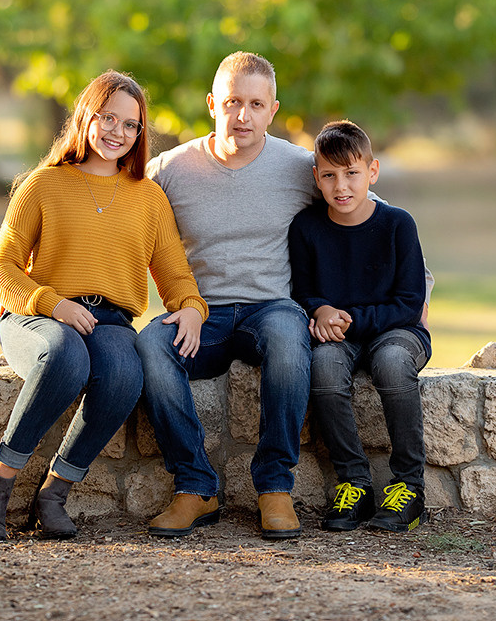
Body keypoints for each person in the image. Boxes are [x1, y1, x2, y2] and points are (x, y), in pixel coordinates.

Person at [136, 52, 432, 540]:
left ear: (273, 110)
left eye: (256, 104)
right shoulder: (169, 169)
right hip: (200, 312)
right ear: (213, 104)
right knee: (149, 347)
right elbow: (115, 221)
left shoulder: (301, 167)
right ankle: (195, 486)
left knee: (290, 344)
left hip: (271, 308)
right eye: (232, 102)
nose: (243, 115)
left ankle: (275, 488)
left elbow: (371, 214)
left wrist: (424, 290)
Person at [0, 70, 207, 543]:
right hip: (36, 316)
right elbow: (3, 268)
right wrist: (53, 305)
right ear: (86, 116)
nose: (117, 132)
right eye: (108, 118)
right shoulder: (42, 185)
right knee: (65, 354)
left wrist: (192, 307)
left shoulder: (149, 198)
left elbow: (175, 273)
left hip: (111, 320)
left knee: (124, 372)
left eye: (130, 125)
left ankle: (54, 493)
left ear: (140, 134)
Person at [288, 120, 432, 533]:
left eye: (352, 173)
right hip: (338, 335)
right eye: (330, 175)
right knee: (325, 369)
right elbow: (302, 290)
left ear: (373, 172)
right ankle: (355, 483)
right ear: (316, 177)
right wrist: (318, 311)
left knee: (390, 363)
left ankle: (409, 486)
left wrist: (349, 322)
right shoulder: (307, 228)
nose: (341, 186)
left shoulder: (397, 224)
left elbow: (409, 304)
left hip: (398, 330)